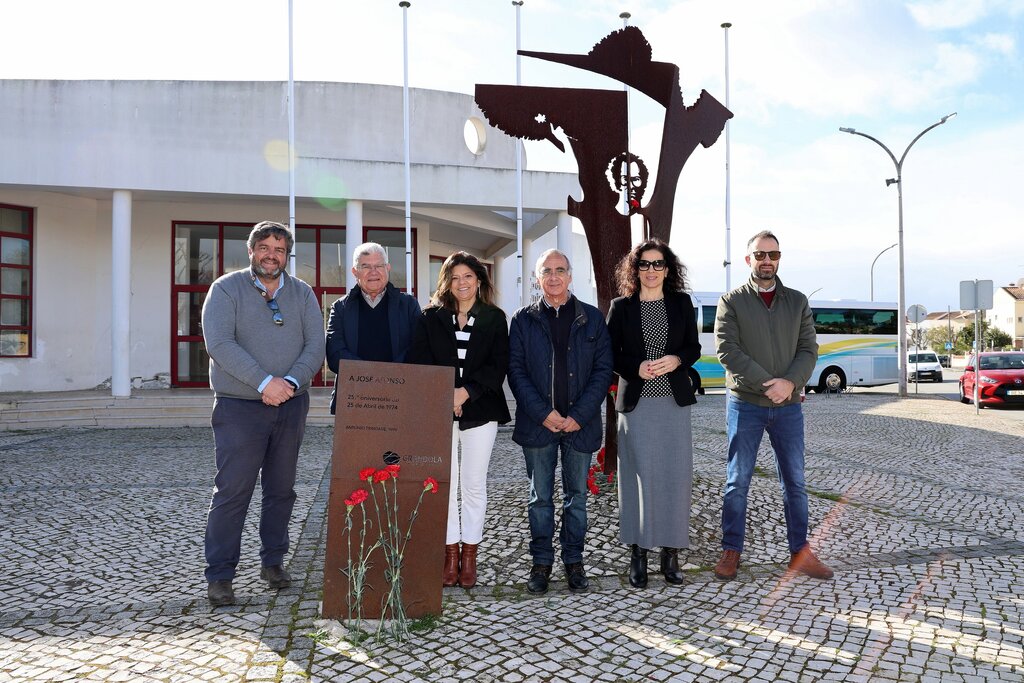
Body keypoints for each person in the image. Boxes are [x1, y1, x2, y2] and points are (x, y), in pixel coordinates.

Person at [201, 220, 326, 607]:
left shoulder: (302, 293)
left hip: (291, 404)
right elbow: (219, 342)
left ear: (287, 255)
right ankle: (220, 575)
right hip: (240, 407)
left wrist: (288, 382)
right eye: (265, 247)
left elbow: (315, 343)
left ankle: (273, 562)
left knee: (281, 490)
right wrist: (263, 383)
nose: (272, 255)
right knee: (233, 491)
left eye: (279, 249)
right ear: (251, 250)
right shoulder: (225, 289)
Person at [713, 230, 833, 582]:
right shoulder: (731, 302)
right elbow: (727, 351)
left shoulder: (797, 302)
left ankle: (800, 552)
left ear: (779, 258)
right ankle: (731, 549)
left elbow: (809, 350)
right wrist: (771, 385)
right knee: (737, 480)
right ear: (748, 259)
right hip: (745, 404)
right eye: (760, 254)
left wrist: (790, 384)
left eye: (773, 254)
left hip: (788, 407)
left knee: (795, 482)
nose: (767, 260)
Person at [507, 249, 613, 594]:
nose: (554, 277)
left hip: (579, 426)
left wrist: (578, 416)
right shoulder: (522, 320)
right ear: (538, 279)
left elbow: (602, 371)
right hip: (538, 424)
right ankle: (541, 563)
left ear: (571, 276)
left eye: (560, 270)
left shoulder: (593, 319)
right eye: (547, 271)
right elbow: (516, 371)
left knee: (577, 497)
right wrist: (544, 413)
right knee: (539, 498)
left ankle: (574, 562)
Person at [407, 252, 511, 589]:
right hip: (438, 409)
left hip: (481, 408)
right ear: (446, 282)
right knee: (444, 484)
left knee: (474, 483)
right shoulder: (430, 317)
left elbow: (498, 366)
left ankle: (470, 555)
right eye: (455, 277)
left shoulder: (495, 318)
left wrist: (465, 392)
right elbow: (420, 362)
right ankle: (449, 554)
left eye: (468, 276)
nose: (462, 283)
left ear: (479, 280)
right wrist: (446, 394)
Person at [606, 239, 701, 588]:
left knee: (675, 478)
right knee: (638, 478)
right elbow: (609, 354)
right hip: (638, 405)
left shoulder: (681, 303)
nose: (651, 270)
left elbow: (693, 346)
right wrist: (635, 367)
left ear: (668, 268)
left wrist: (677, 359)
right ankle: (639, 552)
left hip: (674, 404)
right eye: (644, 264)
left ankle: (671, 552)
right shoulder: (622, 307)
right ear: (635, 269)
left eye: (657, 264)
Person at [325, 242, 421, 413]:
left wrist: (388, 378)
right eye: (366, 266)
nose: (374, 272)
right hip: (355, 400)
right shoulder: (341, 308)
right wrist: (373, 377)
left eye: (379, 266)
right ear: (355, 272)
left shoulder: (408, 305)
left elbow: (418, 349)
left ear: (388, 268)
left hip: (400, 398)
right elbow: (334, 354)